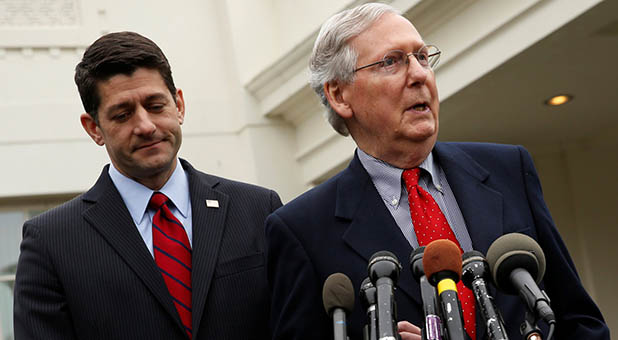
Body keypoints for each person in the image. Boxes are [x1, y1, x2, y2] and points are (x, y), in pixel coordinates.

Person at [265, 3, 609, 340]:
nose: (418, 75)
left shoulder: (509, 169)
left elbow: (579, 320)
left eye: (422, 57)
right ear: (340, 95)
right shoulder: (302, 231)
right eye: (392, 62)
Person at [13, 31, 282, 340]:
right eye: (123, 114)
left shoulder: (260, 209)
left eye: (156, 106)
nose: (145, 126)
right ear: (94, 128)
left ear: (179, 105)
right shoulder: (51, 243)